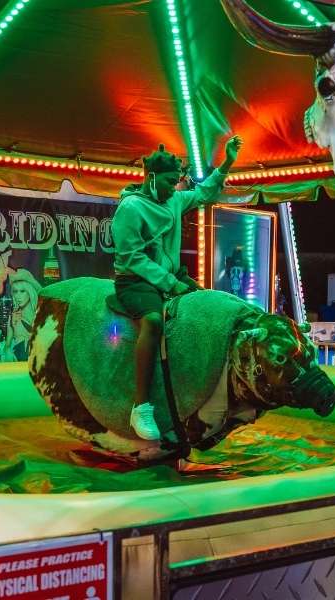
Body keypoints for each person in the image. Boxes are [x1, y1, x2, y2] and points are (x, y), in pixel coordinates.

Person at [112, 135, 243, 440]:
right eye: (171, 181)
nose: (175, 187)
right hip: (136, 281)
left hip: (172, 277)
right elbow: (131, 257)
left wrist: (227, 161)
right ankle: (140, 406)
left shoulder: (174, 199)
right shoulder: (130, 208)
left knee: (211, 306)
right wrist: (171, 284)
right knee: (154, 321)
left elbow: (205, 193)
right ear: (152, 177)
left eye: (177, 182)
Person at [4, 268, 41, 361]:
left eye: (22, 291)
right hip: (19, 363)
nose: (18, 296)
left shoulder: (40, 313)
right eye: (15, 291)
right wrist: (8, 352)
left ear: (30, 292)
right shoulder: (13, 317)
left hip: (38, 362)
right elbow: (7, 346)